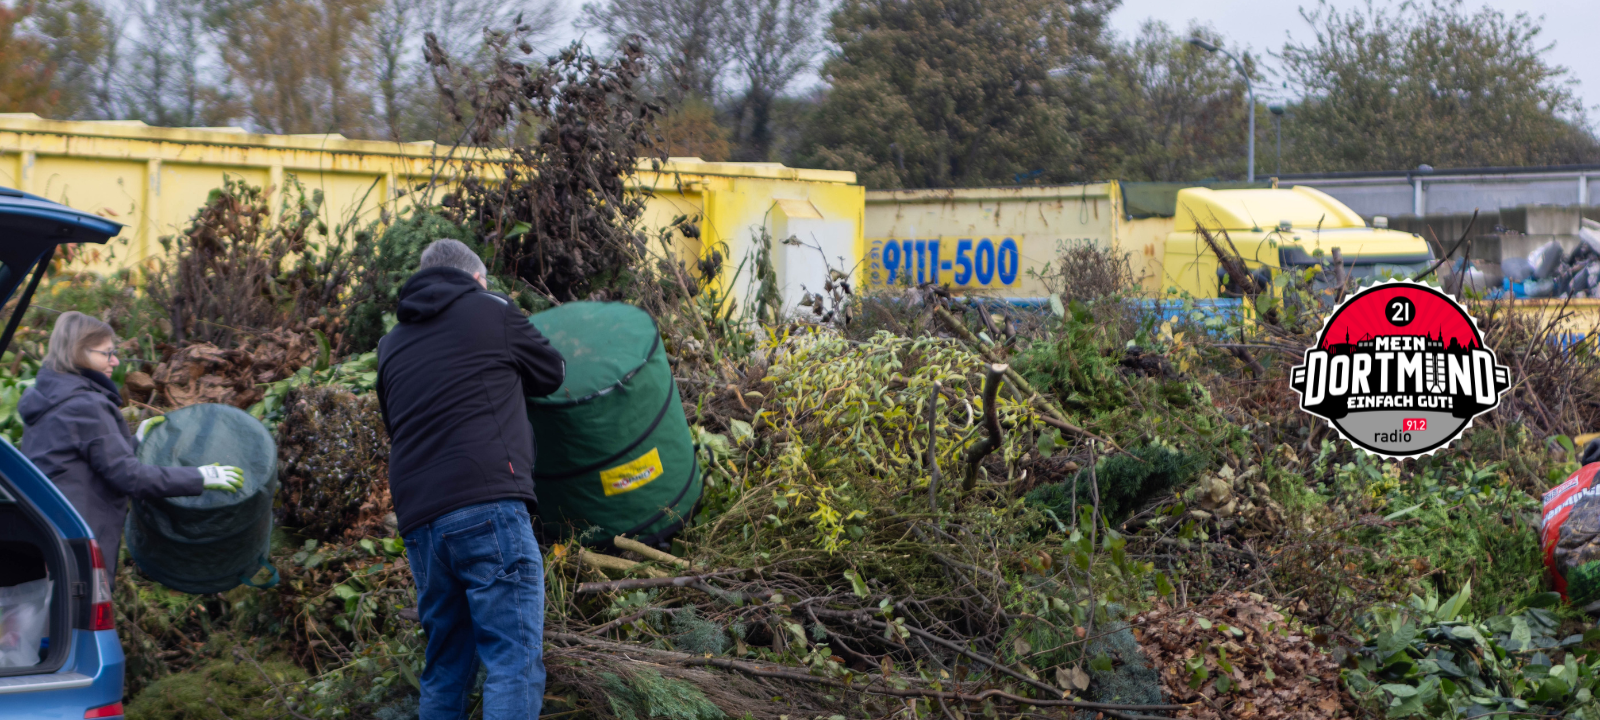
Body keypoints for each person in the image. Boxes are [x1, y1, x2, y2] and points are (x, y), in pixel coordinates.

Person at [377, 239, 566, 719]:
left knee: (446, 666)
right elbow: (552, 373)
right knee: (513, 659)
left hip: (420, 523)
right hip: (487, 504)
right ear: (477, 279)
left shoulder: (390, 344)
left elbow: (395, 422)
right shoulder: (491, 309)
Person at [19, 312, 244, 574]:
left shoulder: (48, 401)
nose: (114, 361)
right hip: (76, 552)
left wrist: (134, 441)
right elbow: (129, 477)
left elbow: (80, 461)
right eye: (107, 353)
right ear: (78, 352)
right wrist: (200, 476)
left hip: (45, 541)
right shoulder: (85, 405)